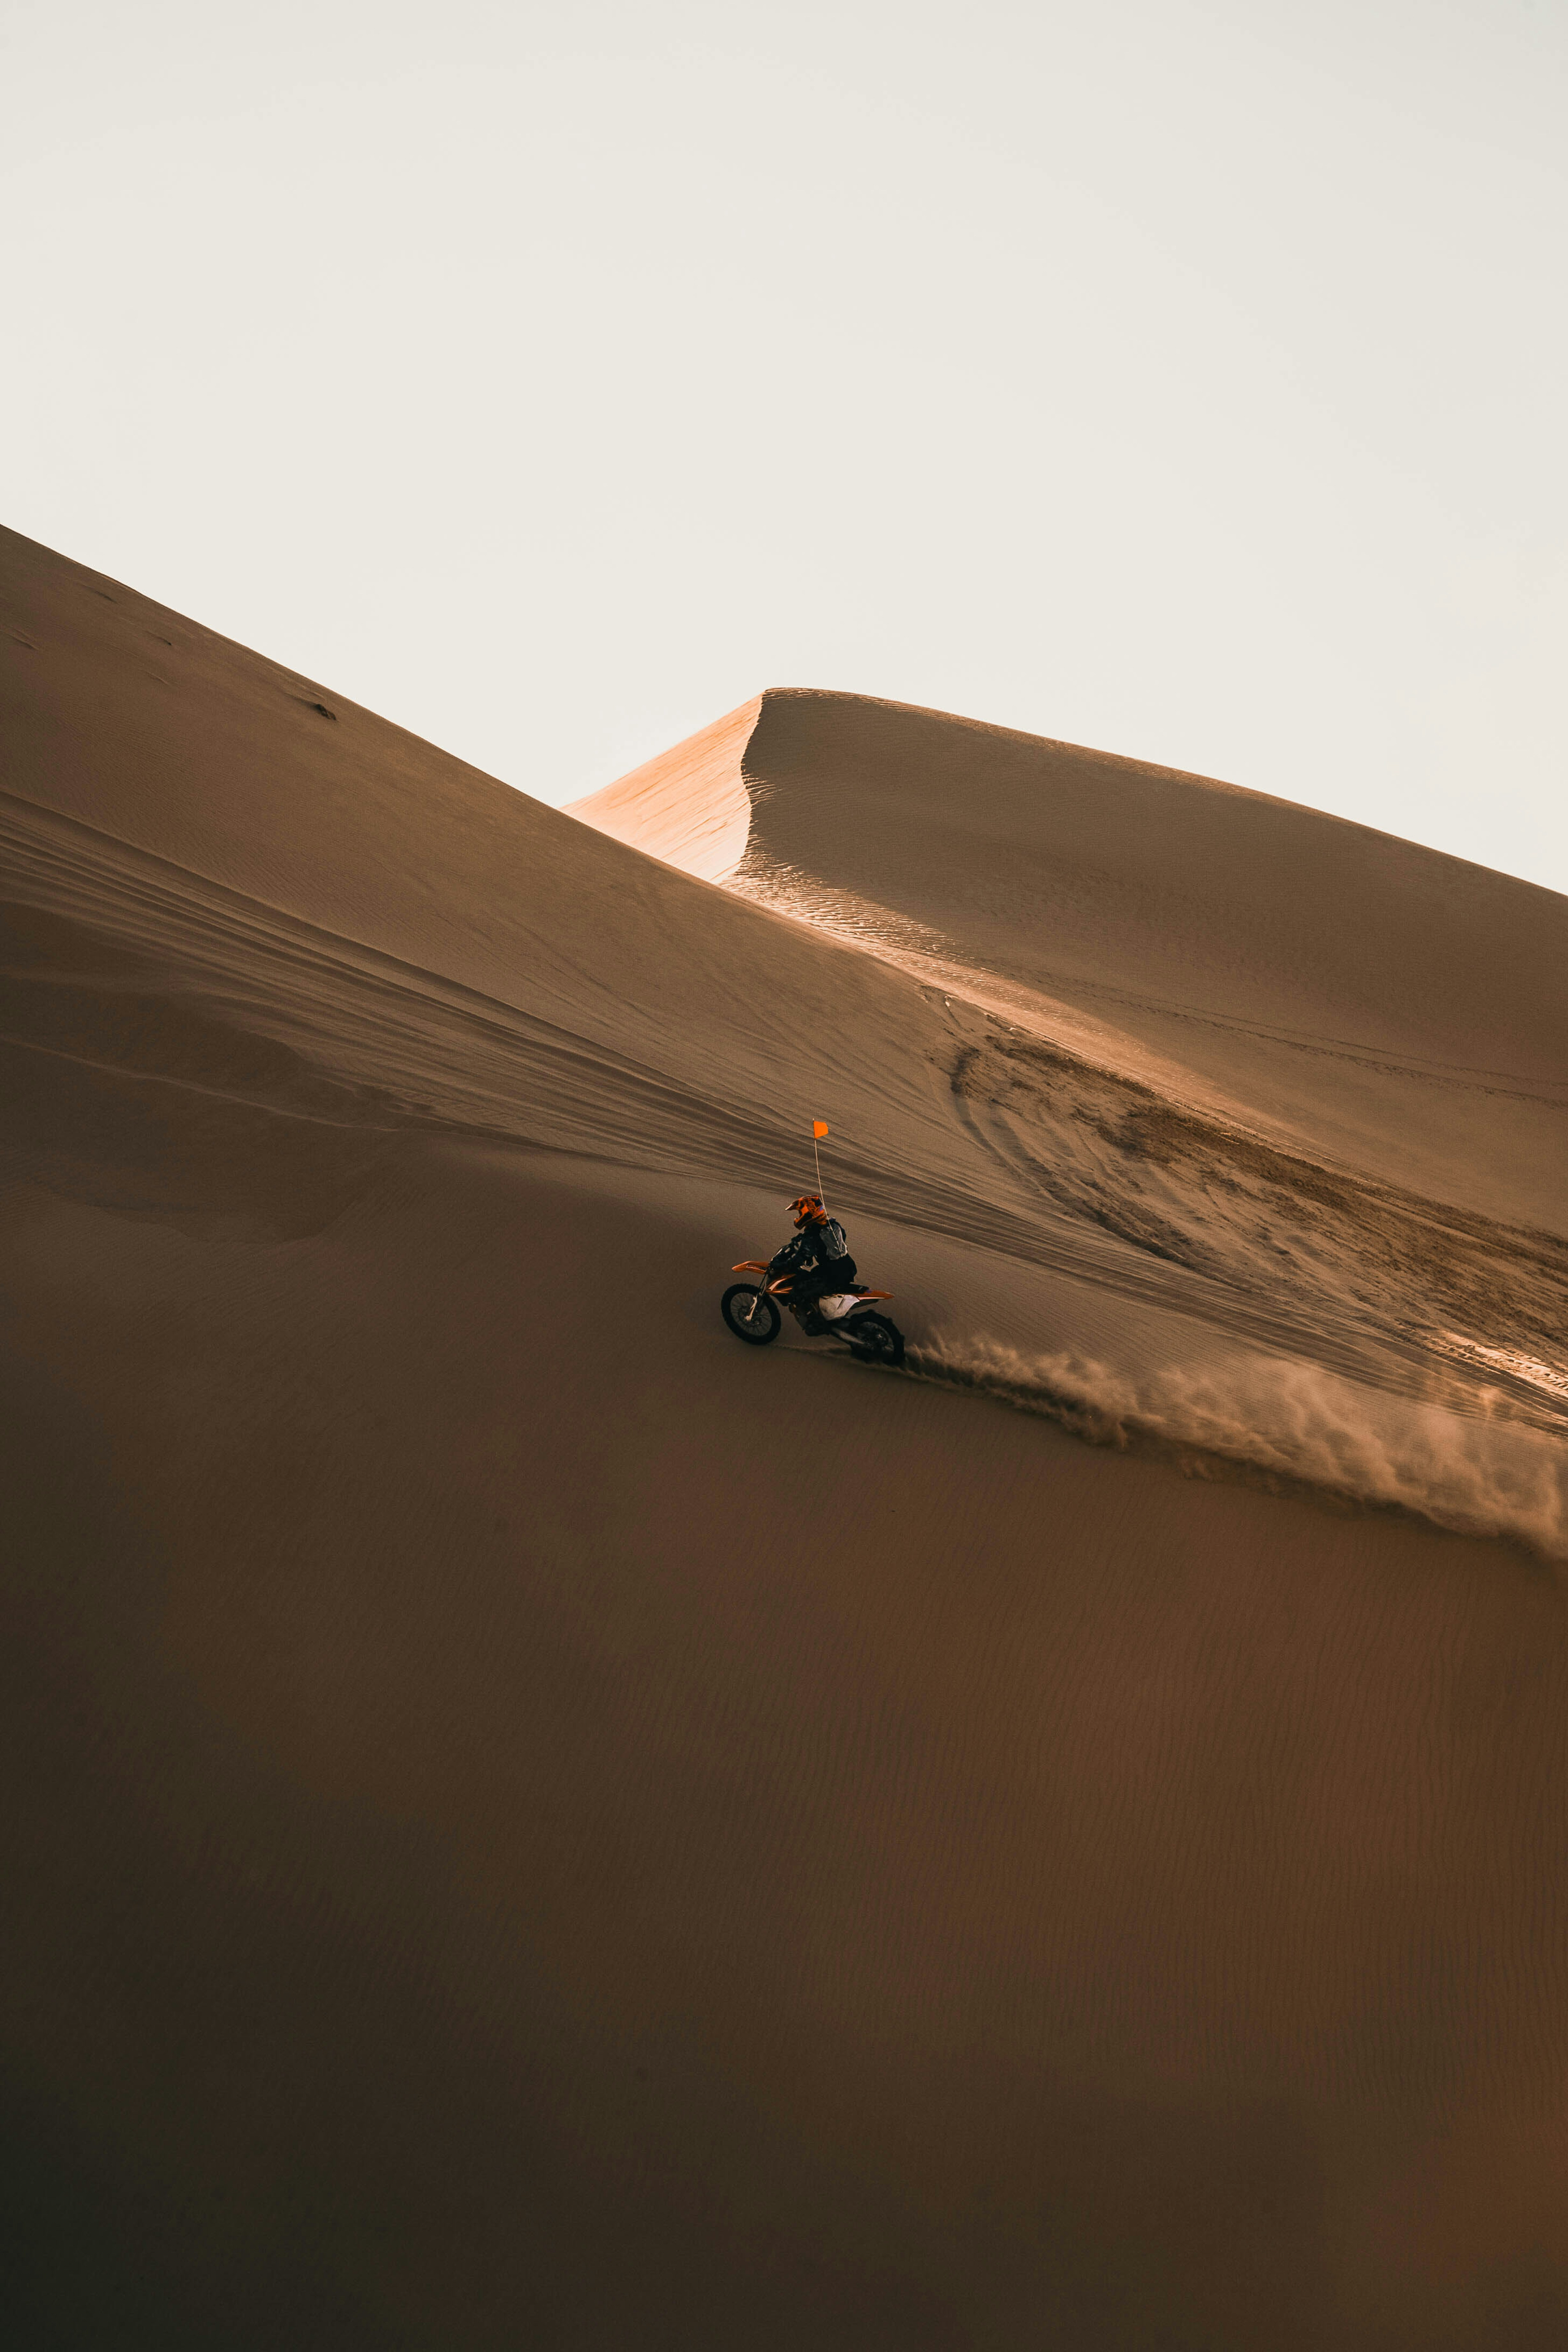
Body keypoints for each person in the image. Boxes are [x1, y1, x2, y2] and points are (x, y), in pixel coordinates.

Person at [767, 1195, 858, 1322]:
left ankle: (816, 1323)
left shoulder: (813, 1235)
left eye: (801, 1212)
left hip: (833, 1276)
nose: (799, 1216)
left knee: (797, 1293)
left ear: (809, 1212)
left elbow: (801, 1258)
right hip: (847, 1268)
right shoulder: (833, 1225)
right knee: (809, 1276)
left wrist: (783, 1265)